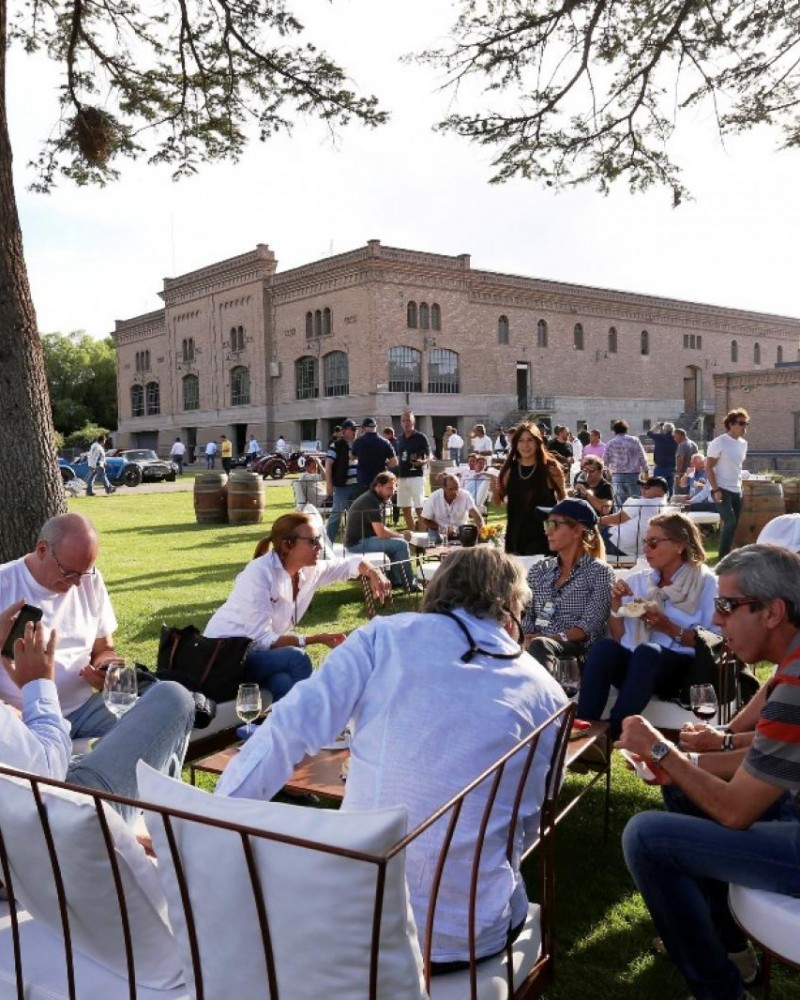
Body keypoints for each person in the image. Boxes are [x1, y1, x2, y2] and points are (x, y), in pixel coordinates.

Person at [215, 546, 567, 968]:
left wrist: (213, 821)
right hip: (466, 939)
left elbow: (288, 729)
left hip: (357, 921)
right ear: (510, 607)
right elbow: (532, 818)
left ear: (439, 591)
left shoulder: (383, 637)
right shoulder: (549, 693)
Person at [618, 544, 800, 1000]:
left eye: (726, 606)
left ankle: (719, 992)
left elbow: (736, 811)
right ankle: (732, 949)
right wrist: (684, 765)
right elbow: (761, 752)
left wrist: (662, 751)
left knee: (647, 837)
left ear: (773, 612)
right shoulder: (792, 667)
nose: (717, 622)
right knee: (684, 790)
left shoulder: (794, 686)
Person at [0, 608, 195, 823]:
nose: (74, 580)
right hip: (67, 818)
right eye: (66, 571)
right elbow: (46, 776)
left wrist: (105, 664)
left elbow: (105, 648)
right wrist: (38, 685)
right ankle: (169, 830)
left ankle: (166, 828)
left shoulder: (90, 584)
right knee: (172, 698)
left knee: (157, 732)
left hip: (52, 748)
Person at [205, 512, 391, 702]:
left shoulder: (310, 570)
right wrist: (316, 638)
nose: (319, 546)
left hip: (253, 656)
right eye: (312, 541)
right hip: (222, 659)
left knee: (283, 682)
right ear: (288, 545)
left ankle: (282, 729)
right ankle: (313, 722)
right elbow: (261, 639)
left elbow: (350, 564)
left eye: (318, 539)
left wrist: (374, 572)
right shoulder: (259, 573)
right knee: (296, 658)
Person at [577, 512, 718, 739]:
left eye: (653, 543)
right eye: (645, 542)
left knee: (647, 652)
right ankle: (584, 730)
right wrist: (615, 604)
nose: (646, 549)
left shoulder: (705, 583)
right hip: (638, 668)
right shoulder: (640, 581)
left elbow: (714, 642)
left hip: (681, 672)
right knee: (604, 649)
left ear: (679, 546)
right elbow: (619, 636)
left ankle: (611, 734)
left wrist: (667, 626)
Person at [522, 498, 613, 674]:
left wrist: (546, 639)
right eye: (546, 524)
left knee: (540, 645)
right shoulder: (540, 569)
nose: (547, 531)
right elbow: (526, 611)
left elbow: (587, 627)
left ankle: (547, 698)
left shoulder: (599, 572)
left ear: (577, 530)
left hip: (576, 653)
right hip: (536, 647)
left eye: (554, 524)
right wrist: (527, 635)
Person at [493, 423, 566, 556]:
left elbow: (563, 502)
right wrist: (494, 490)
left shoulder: (550, 468)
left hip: (544, 536)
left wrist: (555, 532)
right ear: (515, 443)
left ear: (537, 442)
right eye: (521, 441)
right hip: (516, 534)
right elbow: (497, 502)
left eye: (529, 440)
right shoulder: (510, 469)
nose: (525, 445)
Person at [344, 472, 419, 591]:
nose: (392, 492)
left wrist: (398, 535)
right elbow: (381, 533)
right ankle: (409, 583)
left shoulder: (372, 498)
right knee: (401, 545)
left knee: (396, 543)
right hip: (357, 544)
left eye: (393, 489)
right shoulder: (371, 501)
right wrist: (401, 535)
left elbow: (381, 529)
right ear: (378, 486)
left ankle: (396, 581)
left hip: (361, 540)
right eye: (389, 488)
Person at [706, 408, 750, 561]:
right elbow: (708, 466)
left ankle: (728, 555)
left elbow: (736, 467)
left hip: (736, 489)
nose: (745, 427)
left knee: (734, 524)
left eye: (746, 424)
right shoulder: (719, 442)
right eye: (741, 423)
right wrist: (715, 489)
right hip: (721, 488)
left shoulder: (743, 444)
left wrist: (741, 486)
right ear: (730, 424)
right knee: (730, 521)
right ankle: (723, 557)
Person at [599, 476, 669, 559]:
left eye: (647, 487)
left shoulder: (643, 503)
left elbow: (617, 519)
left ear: (658, 490)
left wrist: (594, 519)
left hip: (619, 545)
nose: (642, 490)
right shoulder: (664, 504)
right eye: (642, 487)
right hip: (638, 549)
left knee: (592, 530)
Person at [324, 418, 359, 543]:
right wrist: (329, 484)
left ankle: (352, 543)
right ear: (344, 431)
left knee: (355, 516)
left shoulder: (358, 444)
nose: (355, 431)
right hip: (342, 486)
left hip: (357, 486)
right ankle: (327, 544)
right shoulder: (336, 445)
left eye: (356, 429)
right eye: (352, 429)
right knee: (336, 516)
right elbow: (328, 464)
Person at [420, 474, 484, 540]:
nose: (454, 492)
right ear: (444, 488)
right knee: (434, 540)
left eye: (457, 488)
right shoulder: (434, 497)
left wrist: (481, 529)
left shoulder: (466, 495)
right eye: (450, 489)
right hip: (438, 531)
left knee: (469, 541)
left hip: (461, 531)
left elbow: (476, 516)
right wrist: (441, 529)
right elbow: (425, 519)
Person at [395, 411, 430, 530]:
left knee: (419, 507)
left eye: (408, 420)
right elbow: (398, 457)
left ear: (413, 421)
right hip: (402, 476)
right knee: (405, 508)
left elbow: (429, 455)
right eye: (403, 421)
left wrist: (423, 462)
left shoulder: (421, 437)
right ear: (400, 423)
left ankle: (422, 537)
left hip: (416, 476)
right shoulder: (399, 439)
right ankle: (412, 536)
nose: (406, 423)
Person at [604, 419, 649, 508]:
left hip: (617, 475)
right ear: (626, 430)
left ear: (614, 431)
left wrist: (607, 473)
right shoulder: (634, 441)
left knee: (619, 503)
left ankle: (621, 520)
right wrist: (646, 470)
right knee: (636, 502)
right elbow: (642, 456)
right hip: (633, 475)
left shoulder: (610, 443)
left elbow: (605, 461)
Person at [351, 417, 398, 496]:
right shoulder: (385, 442)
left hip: (363, 481)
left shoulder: (358, 442)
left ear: (364, 428)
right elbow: (394, 462)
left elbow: (352, 457)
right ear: (376, 427)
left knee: (365, 505)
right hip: (380, 481)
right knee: (379, 505)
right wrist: (385, 463)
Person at [647, 421, 678, 494]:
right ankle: (670, 500)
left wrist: (657, 426)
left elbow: (649, 433)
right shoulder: (675, 439)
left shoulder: (659, 437)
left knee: (658, 486)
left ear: (664, 429)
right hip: (672, 464)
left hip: (660, 465)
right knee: (670, 486)